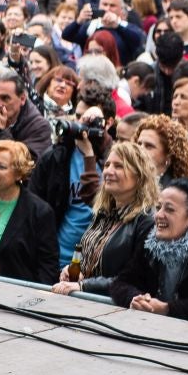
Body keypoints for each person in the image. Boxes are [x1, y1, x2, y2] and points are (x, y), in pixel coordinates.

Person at [51, 140, 158, 295]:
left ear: (139, 176)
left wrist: (85, 285)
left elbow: (136, 278)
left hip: (114, 310)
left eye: (119, 166)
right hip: (86, 303)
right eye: (107, 165)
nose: (108, 171)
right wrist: (75, 271)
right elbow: (91, 261)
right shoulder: (103, 213)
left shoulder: (147, 221)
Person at [98, 178, 188, 320]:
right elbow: (121, 282)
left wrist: (168, 309)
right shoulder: (150, 240)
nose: (158, 215)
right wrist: (136, 299)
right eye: (158, 207)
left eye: (169, 209)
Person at [30, 92, 113, 262]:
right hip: (57, 257)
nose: (81, 123)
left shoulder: (114, 158)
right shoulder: (56, 157)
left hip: (95, 261)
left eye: (89, 120)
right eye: (78, 116)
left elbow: (102, 205)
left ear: (108, 123)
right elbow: (34, 209)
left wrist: (91, 151)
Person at [0, 139, 58, 284]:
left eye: (1, 167)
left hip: (18, 295)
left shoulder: (40, 211)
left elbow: (48, 267)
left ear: (19, 174)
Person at [135, 114, 188, 186]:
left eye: (149, 146)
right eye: (139, 144)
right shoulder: (130, 182)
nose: (140, 149)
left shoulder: (177, 191)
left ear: (169, 155)